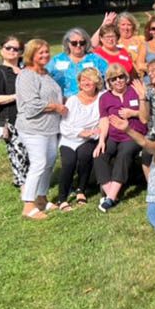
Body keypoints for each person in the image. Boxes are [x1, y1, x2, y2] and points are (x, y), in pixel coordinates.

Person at [14, 39, 65, 220]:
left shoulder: (45, 73)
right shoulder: (26, 75)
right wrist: (56, 107)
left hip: (50, 127)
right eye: (40, 53)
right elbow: (30, 104)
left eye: (46, 51)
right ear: (31, 55)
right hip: (33, 128)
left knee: (50, 161)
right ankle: (28, 204)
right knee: (38, 162)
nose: (45, 55)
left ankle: (42, 198)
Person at [94, 64, 149, 212]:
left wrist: (133, 113)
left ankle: (110, 198)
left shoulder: (135, 91)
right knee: (99, 154)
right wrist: (101, 141)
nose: (118, 81)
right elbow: (104, 120)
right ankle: (113, 192)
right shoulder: (105, 97)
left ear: (126, 78)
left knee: (124, 153)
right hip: (113, 135)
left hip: (134, 134)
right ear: (109, 82)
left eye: (121, 77)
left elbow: (145, 118)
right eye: (113, 79)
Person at [57, 68, 102, 210]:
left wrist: (93, 134)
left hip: (90, 138)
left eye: (90, 79)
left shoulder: (102, 98)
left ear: (96, 82)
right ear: (79, 83)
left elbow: (102, 121)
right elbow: (64, 126)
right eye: (83, 80)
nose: (86, 83)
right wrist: (81, 132)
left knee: (85, 156)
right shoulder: (73, 100)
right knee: (69, 162)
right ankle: (62, 198)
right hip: (70, 138)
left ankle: (81, 190)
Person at [0, 36, 29, 187]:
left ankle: (30, 181)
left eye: (15, 49)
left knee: (31, 152)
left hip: (31, 118)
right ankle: (24, 186)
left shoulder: (26, 69)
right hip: (12, 120)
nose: (12, 51)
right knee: (18, 153)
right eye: (8, 48)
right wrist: (17, 96)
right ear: (2, 50)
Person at [47, 28, 108, 97]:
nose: (78, 45)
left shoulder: (95, 59)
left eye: (82, 43)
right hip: (63, 101)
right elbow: (44, 76)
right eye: (74, 43)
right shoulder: (57, 60)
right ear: (67, 43)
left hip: (91, 99)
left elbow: (109, 75)